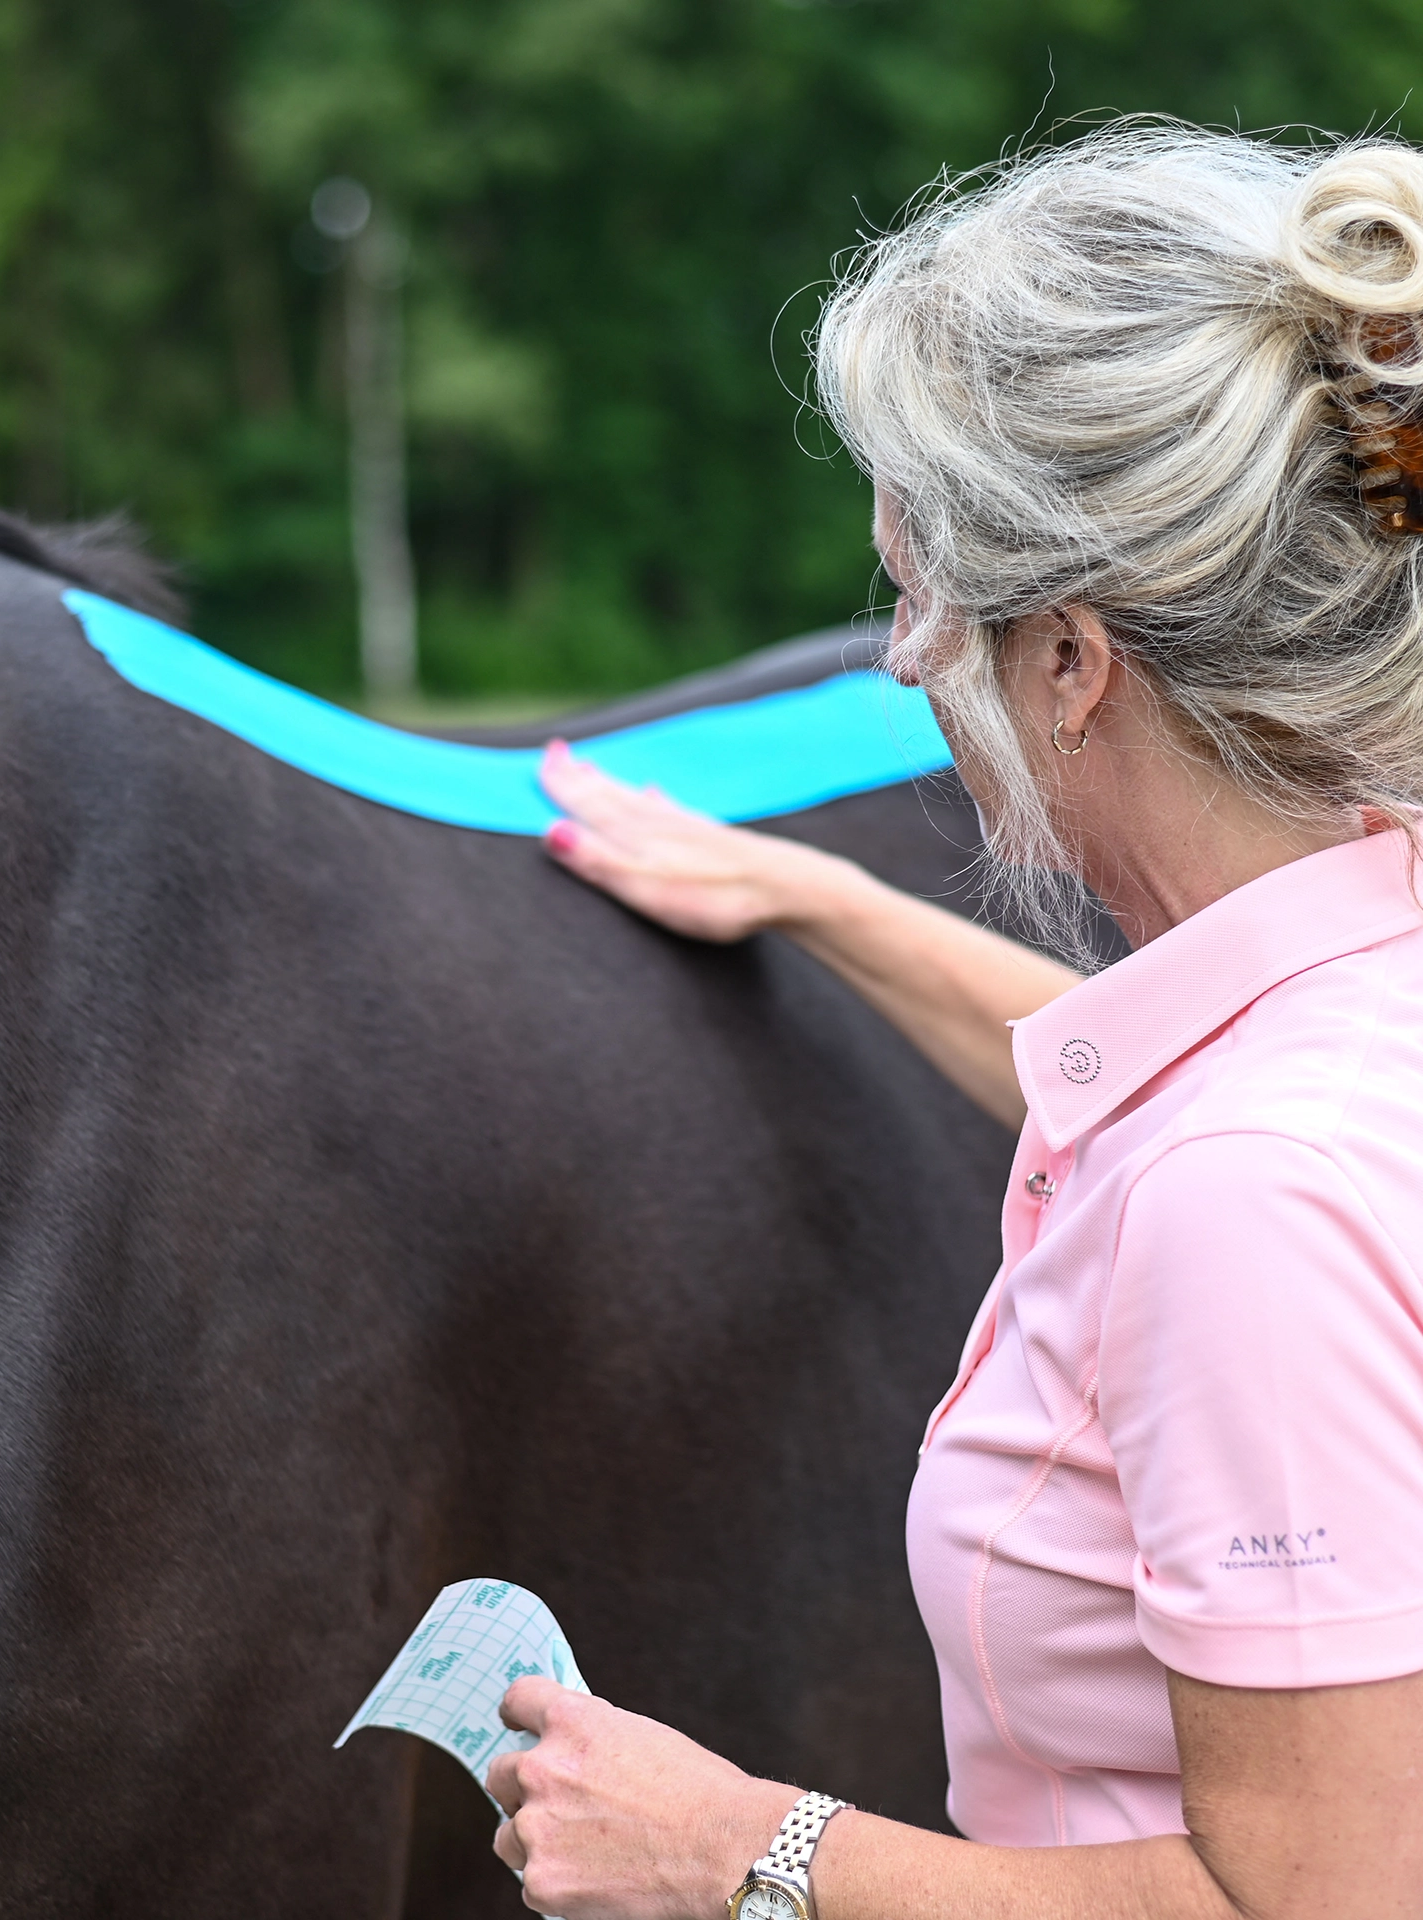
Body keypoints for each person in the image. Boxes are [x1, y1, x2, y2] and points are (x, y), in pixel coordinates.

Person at [486, 125, 1423, 1920]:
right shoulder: (1360, 963)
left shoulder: (1250, 1202)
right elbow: (1180, 1092)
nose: (906, 655)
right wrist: (824, 903)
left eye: (920, 594)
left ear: (1071, 661)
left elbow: (1315, 1904)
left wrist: (737, 1849)